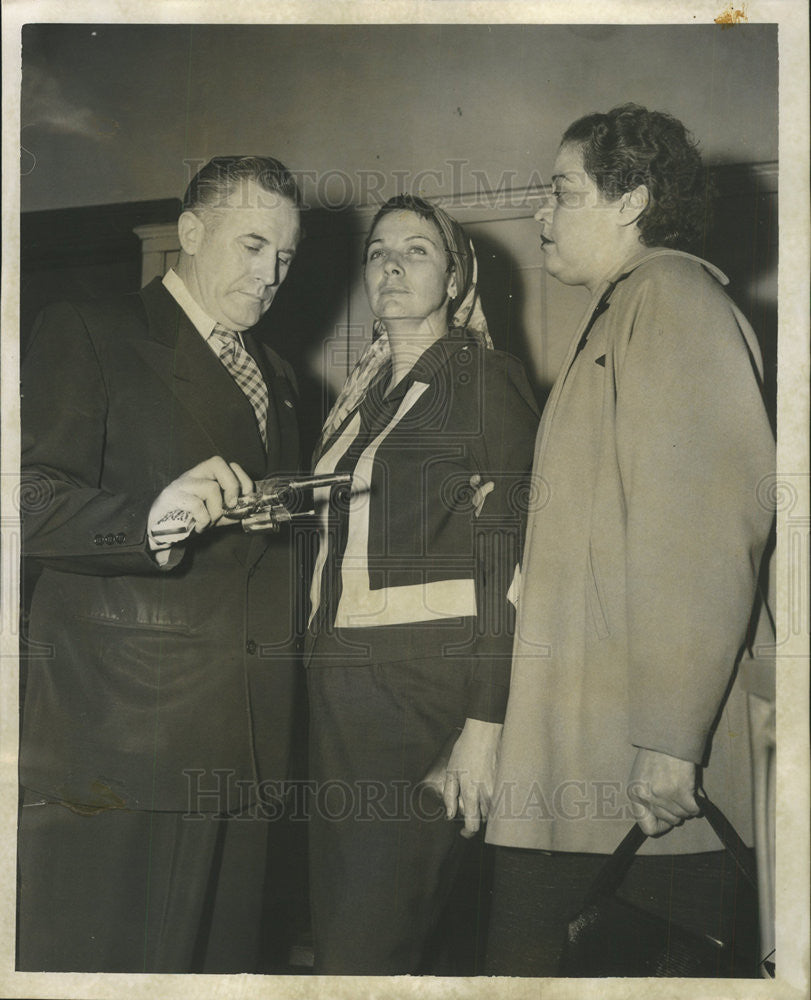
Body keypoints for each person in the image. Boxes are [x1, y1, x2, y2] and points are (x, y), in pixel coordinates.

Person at [484, 105, 775, 976]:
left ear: (630, 201)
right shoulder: (631, 305)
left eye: (559, 191)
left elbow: (705, 533)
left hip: (635, 778)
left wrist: (672, 738)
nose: (540, 213)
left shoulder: (674, 300)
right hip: (590, 760)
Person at [18, 156, 303, 973]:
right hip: (126, 742)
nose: (269, 274)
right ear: (188, 233)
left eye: (284, 257)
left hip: (247, 743)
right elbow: (28, 502)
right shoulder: (89, 328)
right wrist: (152, 519)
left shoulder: (278, 376)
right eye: (252, 245)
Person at [304, 194, 539, 974]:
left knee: (371, 938)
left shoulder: (484, 379)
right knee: (347, 934)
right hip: (341, 695)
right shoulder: (361, 399)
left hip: (419, 700)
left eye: (416, 249)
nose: (392, 264)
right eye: (378, 251)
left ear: (454, 275)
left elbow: (513, 563)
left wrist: (484, 725)